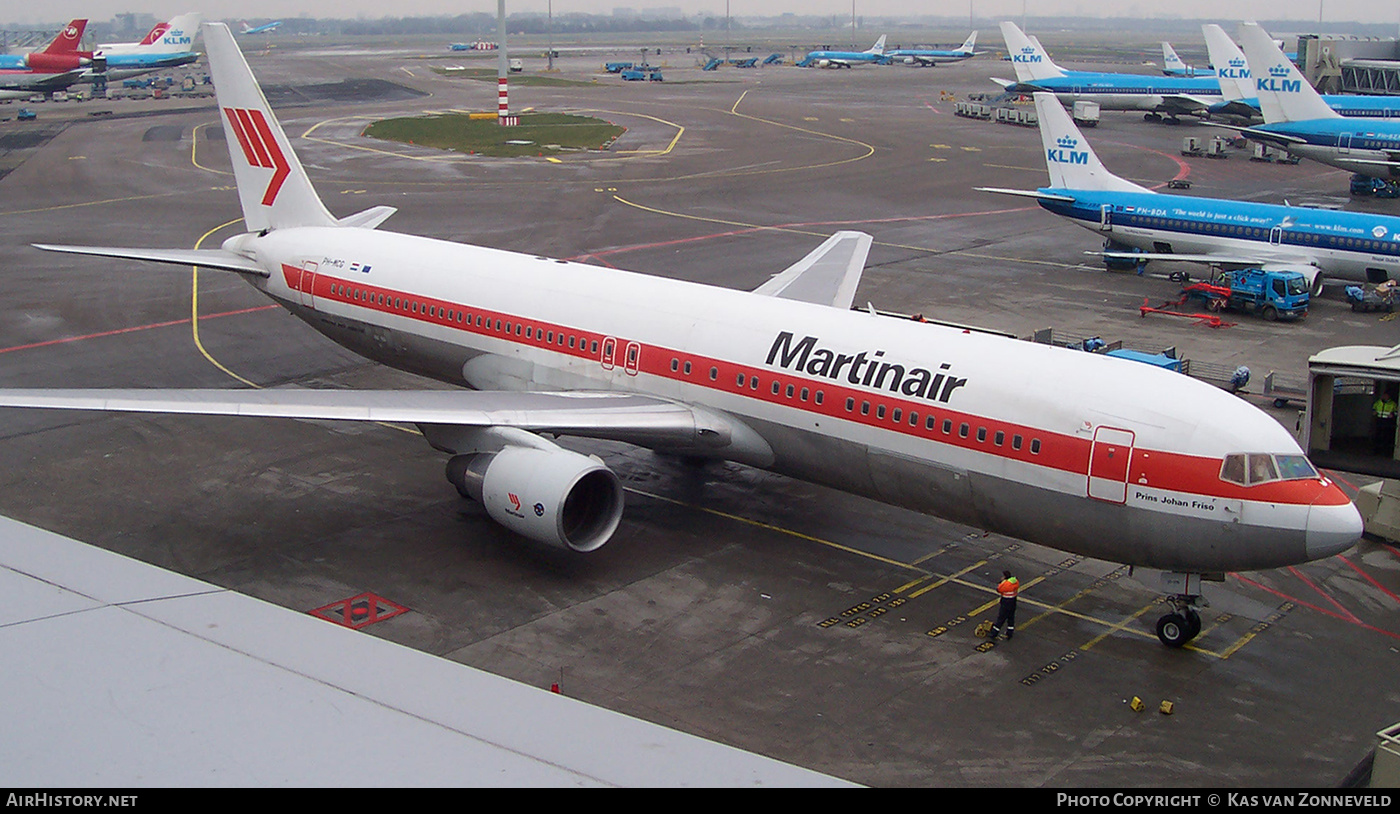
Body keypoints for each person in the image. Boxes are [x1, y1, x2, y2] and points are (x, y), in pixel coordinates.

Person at [988, 570, 1019, 641]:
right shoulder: (1015, 581)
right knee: (1011, 618)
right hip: (1013, 601)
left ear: (1005, 577)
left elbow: (999, 589)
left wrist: (1002, 582)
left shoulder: (1005, 584)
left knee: (1001, 618)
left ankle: (994, 633)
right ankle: (1009, 633)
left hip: (1006, 602)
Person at [1374, 388, 1397, 457]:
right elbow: (1374, 408)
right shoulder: (1378, 402)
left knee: (1386, 437)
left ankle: (1386, 452)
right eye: (1384, 395)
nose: (1384, 396)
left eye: (1386, 395)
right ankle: (1376, 451)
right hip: (1379, 420)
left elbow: (1396, 412)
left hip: (1388, 422)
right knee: (1378, 436)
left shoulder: (1393, 404)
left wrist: (1392, 415)